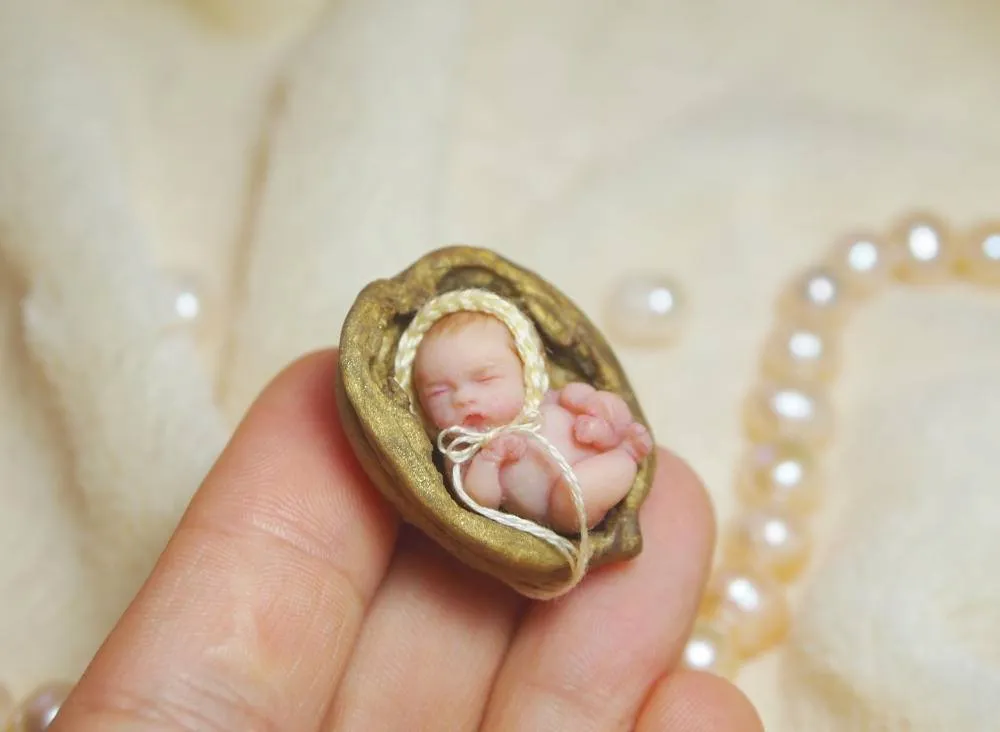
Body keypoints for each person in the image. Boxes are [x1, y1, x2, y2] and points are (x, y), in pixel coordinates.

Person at [49, 350, 763, 731]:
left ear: (524, 367)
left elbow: (575, 409)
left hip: (581, 463)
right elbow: (480, 500)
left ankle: (614, 458)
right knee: (567, 494)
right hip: (548, 498)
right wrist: (494, 469)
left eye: (485, 377)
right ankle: (595, 486)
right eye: (444, 396)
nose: (469, 400)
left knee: (603, 445)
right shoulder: (473, 450)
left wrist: (590, 416)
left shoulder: (549, 403)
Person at [412, 310, 653, 532]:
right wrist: (490, 460)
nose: (462, 398)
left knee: (593, 401)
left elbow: (590, 400)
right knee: (575, 493)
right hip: (565, 509)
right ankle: (625, 454)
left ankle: (618, 441)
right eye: (439, 393)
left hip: (597, 456)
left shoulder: (544, 400)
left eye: (484, 379)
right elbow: (481, 501)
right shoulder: (464, 453)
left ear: (527, 371)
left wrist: (595, 413)